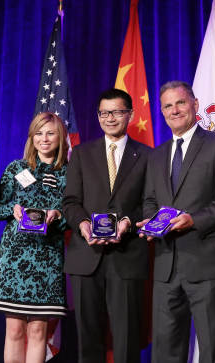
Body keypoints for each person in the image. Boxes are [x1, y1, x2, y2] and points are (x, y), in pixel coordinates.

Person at [137, 81, 215, 363]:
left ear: (195, 105)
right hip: (165, 267)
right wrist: (150, 222)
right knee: (165, 352)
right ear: (162, 112)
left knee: (213, 350)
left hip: (206, 264)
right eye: (168, 106)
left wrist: (193, 220)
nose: (174, 110)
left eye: (180, 103)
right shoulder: (156, 155)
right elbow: (150, 200)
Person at [63, 88, 151, 362]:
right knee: (88, 336)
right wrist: (83, 224)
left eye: (116, 112)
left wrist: (128, 222)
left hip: (127, 255)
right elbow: (70, 202)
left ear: (130, 115)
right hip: (86, 255)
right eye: (103, 113)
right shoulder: (81, 153)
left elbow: (151, 203)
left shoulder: (148, 155)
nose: (109, 118)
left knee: (126, 336)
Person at [0, 112, 69, 363]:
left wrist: (58, 215)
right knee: (14, 330)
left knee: (38, 331)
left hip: (47, 259)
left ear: (60, 137)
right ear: (31, 137)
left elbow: (74, 216)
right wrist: (12, 209)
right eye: (39, 133)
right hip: (13, 260)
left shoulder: (69, 173)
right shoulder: (16, 168)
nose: (44, 139)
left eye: (50, 133)